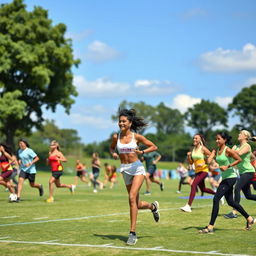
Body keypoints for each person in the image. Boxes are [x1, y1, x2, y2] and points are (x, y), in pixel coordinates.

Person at [110, 108, 160, 246]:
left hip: (137, 168)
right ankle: (152, 207)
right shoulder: (116, 137)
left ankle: (132, 233)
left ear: (130, 123)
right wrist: (114, 153)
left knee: (131, 197)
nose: (121, 123)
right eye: (119, 121)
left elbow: (154, 146)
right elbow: (111, 147)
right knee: (136, 204)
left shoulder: (136, 137)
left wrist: (142, 151)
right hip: (125, 169)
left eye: (124, 121)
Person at [199, 132, 255, 233]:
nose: (217, 141)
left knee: (216, 199)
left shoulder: (228, 150)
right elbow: (208, 161)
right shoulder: (217, 150)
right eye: (216, 139)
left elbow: (238, 159)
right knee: (231, 202)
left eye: (219, 139)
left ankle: (210, 226)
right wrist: (211, 155)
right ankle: (249, 218)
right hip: (225, 178)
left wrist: (228, 166)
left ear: (224, 140)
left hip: (231, 178)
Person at [224, 130, 256, 219]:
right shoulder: (236, 146)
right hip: (242, 172)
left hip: (248, 172)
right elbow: (228, 155)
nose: (239, 134)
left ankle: (234, 212)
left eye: (241, 133)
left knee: (237, 188)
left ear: (246, 137)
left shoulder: (247, 146)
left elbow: (238, 154)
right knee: (248, 196)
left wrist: (230, 151)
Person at [180, 134, 215, 213]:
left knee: (193, 185)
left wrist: (204, 163)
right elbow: (191, 162)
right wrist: (189, 156)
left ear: (200, 140)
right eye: (193, 138)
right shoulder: (193, 150)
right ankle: (218, 195)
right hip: (197, 171)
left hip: (204, 171)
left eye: (196, 138)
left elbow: (212, 156)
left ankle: (188, 206)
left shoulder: (203, 148)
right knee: (203, 189)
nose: (194, 139)